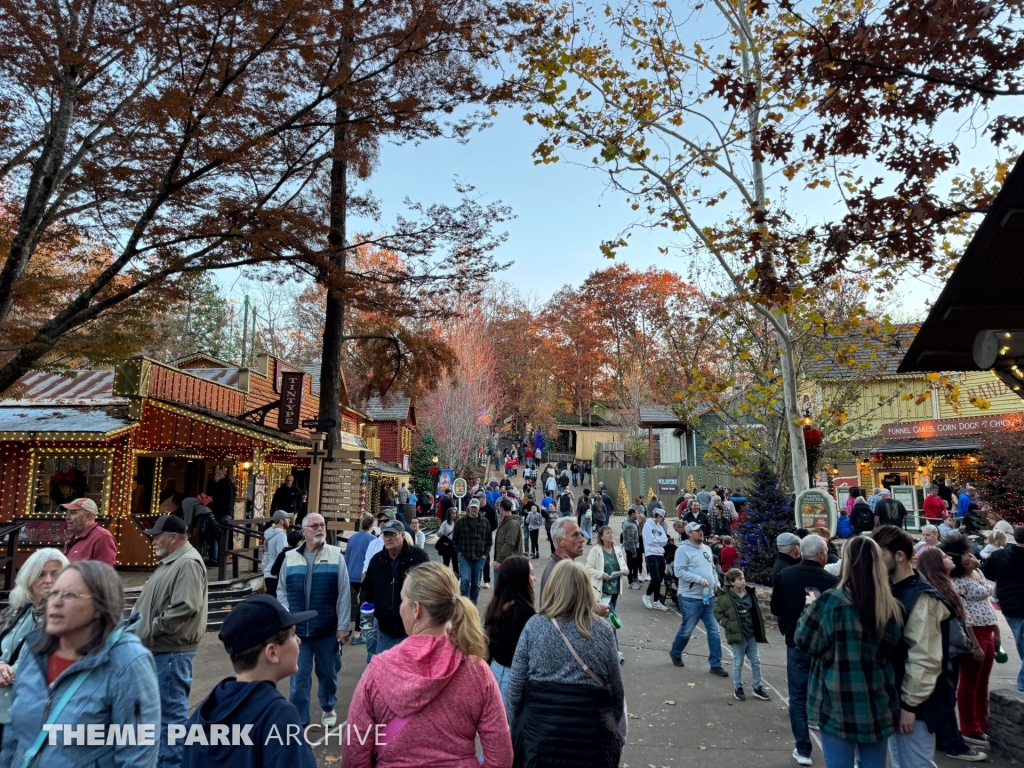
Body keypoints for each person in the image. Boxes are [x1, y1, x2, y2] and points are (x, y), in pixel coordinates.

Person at [342, 562, 512, 768]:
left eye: (403, 600)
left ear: (416, 609)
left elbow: (354, 754)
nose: (399, 606)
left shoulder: (377, 672)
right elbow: (501, 756)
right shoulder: (477, 671)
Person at [0, 560, 161, 768]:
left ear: (99, 606)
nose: (55, 602)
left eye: (69, 595)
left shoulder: (129, 662)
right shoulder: (35, 649)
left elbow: (139, 753)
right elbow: (15, 734)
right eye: (54, 594)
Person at [872, 527, 985, 764]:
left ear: (899, 555)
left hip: (917, 705)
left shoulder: (920, 595)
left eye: (880, 555)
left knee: (916, 763)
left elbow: (925, 658)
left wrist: (909, 706)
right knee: (904, 762)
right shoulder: (898, 590)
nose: (876, 563)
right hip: (903, 699)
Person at [794, 536, 905, 768]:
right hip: (877, 701)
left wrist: (808, 609)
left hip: (836, 701)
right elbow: (893, 652)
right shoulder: (892, 607)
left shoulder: (829, 603)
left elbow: (805, 643)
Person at [506, 560, 625, 768]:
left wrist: (513, 730)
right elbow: (616, 690)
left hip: (539, 736)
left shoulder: (534, 626)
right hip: (592, 738)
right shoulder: (603, 631)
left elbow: (515, 687)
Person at [181, 595, 317, 768]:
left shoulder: (204, 712)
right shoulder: (278, 715)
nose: (298, 640)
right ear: (272, 652)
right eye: (292, 634)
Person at [133, 514, 208, 768]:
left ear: (173, 537)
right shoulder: (173, 561)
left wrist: (152, 628)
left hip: (170, 652)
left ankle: (171, 764)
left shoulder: (186, 562)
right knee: (162, 715)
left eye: (157, 536)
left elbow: (185, 606)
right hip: (162, 650)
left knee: (170, 717)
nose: (153, 540)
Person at [276, 512, 351, 727]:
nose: (320, 529)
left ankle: (328, 706)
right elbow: (281, 590)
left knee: (328, 675)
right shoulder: (290, 557)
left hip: (327, 630)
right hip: (298, 632)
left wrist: (343, 626)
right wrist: (289, 616)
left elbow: (344, 593)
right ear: (304, 531)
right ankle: (300, 720)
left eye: (322, 525)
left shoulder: (336, 555)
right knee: (298, 679)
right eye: (315, 526)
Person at [770, 534, 839, 766]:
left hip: (796, 642)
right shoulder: (831, 581)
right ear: (820, 554)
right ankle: (835, 749)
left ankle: (803, 748)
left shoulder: (785, 575)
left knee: (798, 696)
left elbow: (776, 608)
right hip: (825, 646)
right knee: (829, 695)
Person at [0, 548, 67, 746]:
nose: (48, 580)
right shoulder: (17, 609)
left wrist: (7, 672)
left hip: (31, 712)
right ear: (29, 577)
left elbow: (45, 659)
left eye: (55, 573)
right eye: (41, 574)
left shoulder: (66, 616)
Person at [941, 534, 999, 748]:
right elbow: (964, 615)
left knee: (983, 680)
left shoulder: (978, 571)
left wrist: (996, 633)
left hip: (988, 629)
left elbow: (988, 604)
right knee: (970, 682)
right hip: (974, 633)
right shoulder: (958, 582)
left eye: (969, 555)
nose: (971, 559)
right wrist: (974, 644)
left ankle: (982, 721)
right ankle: (969, 727)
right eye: (966, 559)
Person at [361, 520, 429, 662]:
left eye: (393, 534)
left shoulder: (418, 557)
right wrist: (365, 601)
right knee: (384, 672)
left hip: (412, 629)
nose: (388, 538)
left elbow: (429, 587)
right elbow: (367, 586)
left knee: (412, 673)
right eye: (386, 534)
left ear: (402, 535)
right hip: (385, 630)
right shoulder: (377, 560)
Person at [668, 521, 728, 676]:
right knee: (687, 630)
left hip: (709, 598)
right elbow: (679, 572)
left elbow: (712, 569)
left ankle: (715, 664)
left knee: (714, 631)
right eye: (697, 530)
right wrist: (697, 579)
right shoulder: (683, 551)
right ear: (689, 533)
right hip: (690, 598)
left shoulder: (707, 548)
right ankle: (675, 652)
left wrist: (715, 583)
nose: (701, 532)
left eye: (702, 529)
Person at [484, 555, 536, 709]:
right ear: (520, 579)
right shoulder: (527, 616)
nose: (535, 578)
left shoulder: (496, 606)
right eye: (531, 574)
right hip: (513, 678)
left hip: (494, 670)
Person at [714, 568, 770, 701]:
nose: (743, 581)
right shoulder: (724, 598)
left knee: (756, 661)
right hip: (737, 636)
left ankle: (758, 687)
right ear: (732, 582)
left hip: (750, 635)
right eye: (740, 579)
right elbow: (718, 613)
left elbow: (754, 612)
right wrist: (729, 624)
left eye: (744, 578)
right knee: (738, 663)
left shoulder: (749, 594)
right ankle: (738, 687)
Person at [982, 525, 1024, 693]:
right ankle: (1022, 682)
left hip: (1010, 603)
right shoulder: (999, 555)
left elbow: (988, 573)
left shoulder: (999, 555)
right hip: (1014, 603)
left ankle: (1022, 681)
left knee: (1021, 640)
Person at [586, 525, 628, 663]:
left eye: (612, 532)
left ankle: (600, 648)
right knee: (613, 620)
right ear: (601, 536)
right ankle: (615, 652)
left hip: (615, 589)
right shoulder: (596, 550)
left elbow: (623, 564)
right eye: (607, 533)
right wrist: (600, 574)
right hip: (603, 591)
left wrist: (625, 570)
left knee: (604, 620)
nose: (611, 535)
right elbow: (588, 568)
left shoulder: (617, 549)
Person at [344, 514, 377, 646]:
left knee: (362, 603)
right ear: (372, 524)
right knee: (365, 603)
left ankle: (361, 631)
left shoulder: (352, 538)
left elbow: (347, 557)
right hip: (365, 576)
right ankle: (359, 633)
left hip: (351, 574)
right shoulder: (373, 539)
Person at [452, 498, 492, 604]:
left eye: (476, 507)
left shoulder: (485, 522)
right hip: (464, 556)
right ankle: (465, 603)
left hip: (479, 557)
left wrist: (485, 554)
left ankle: (473, 604)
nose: (474, 509)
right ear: (468, 508)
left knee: (476, 583)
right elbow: (454, 538)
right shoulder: (461, 522)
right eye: (472, 507)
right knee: (465, 580)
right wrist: (458, 551)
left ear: (479, 508)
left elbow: (489, 540)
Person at [60, 497, 117, 566]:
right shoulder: (72, 538)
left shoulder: (102, 537)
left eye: (73, 513)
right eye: (67, 513)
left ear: (88, 517)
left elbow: (104, 573)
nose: (67, 517)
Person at [540, 517, 586, 598]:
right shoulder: (561, 573)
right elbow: (564, 610)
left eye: (581, 534)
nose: (582, 539)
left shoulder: (558, 566)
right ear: (560, 541)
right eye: (575, 535)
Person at [642, 508, 670, 611]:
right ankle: (647, 596)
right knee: (655, 578)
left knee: (660, 578)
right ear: (659, 516)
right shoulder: (648, 525)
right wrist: (659, 541)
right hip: (651, 553)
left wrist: (656, 541)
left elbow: (665, 540)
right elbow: (649, 540)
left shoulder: (660, 527)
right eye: (662, 518)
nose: (663, 520)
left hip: (660, 553)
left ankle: (656, 600)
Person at [261, 509, 294, 597]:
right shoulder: (281, 536)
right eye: (287, 518)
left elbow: (266, 552)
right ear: (281, 521)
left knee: (270, 599)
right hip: (276, 573)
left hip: (267, 571)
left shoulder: (268, 534)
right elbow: (282, 555)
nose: (289, 520)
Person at [493, 498, 524, 587]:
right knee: (499, 593)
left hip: (509, 564)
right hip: (503, 563)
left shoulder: (512, 523)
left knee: (505, 593)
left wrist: (499, 560)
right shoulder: (504, 522)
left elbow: (509, 544)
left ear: (501, 509)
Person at [621, 507, 641, 588]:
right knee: (631, 565)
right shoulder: (630, 525)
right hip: (631, 548)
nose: (638, 514)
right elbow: (630, 539)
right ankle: (631, 582)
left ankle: (635, 578)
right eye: (636, 513)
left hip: (630, 547)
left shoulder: (628, 521)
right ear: (632, 514)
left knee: (635, 564)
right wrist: (634, 551)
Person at [437, 507, 460, 575]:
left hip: (455, 546)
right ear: (449, 514)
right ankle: (445, 577)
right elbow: (439, 533)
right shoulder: (445, 523)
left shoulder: (457, 522)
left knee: (455, 563)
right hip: (447, 546)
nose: (454, 514)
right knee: (446, 563)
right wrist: (441, 533)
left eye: (455, 513)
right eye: (452, 513)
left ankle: (456, 577)